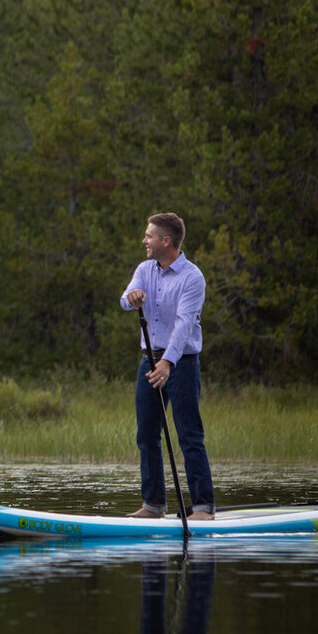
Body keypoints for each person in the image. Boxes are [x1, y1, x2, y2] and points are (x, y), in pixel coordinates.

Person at [120, 213, 215, 520]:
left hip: (182, 364)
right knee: (147, 435)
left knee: (189, 435)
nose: (144, 241)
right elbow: (125, 300)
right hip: (148, 362)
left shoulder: (192, 277)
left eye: (149, 236)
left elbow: (184, 325)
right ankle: (154, 506)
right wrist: (131, 297)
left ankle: (203, 508)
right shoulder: (144, 269)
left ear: (167, 241)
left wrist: (167, 363)